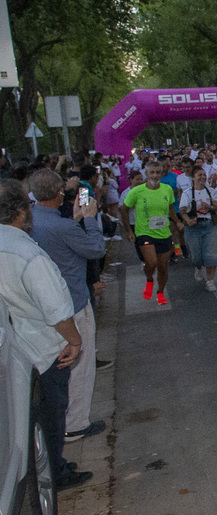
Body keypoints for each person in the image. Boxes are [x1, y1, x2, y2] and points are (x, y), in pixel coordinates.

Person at [0, 180, 91, 489]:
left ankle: (53, 465)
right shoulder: (27, 254)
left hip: (18, 348)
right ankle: (55, 473)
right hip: (44, 349)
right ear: (20, 212)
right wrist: (75, 340)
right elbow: (55, 309)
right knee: (52, 416)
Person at [28, 169, 108, 445]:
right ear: (58, 193)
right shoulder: (63, 227)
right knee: (81, 365)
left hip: (41, 308)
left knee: (57, 367)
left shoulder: (29, 221)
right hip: (72, 302)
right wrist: (89, 219)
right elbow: (96, 249)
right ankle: (75, 424)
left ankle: (63, 423)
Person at [121, 162, 176, 305]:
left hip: (163, 233)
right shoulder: (136, 191)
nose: (155, 176)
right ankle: (150, 279)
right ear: (146, 174)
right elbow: (124, 209)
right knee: (151, 262)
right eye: (152, 173)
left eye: (157, 172)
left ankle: (160, 292)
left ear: (161, 173)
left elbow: (170, 208)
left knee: (163, 267)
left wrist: (177, 221)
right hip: (144, 233)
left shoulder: (167, 189)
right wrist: (128, 230)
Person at [179, 166, 217, 292]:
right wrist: (188, 220)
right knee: (196, 255)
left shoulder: (211, 191)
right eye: (199, 175)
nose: (203, 177)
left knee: (211, 254)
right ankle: (198, 267)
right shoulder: (187, 193)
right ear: (193, 178)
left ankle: (210, 281)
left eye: (204, 175)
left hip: (209, 225)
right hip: (193, 227)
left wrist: (210, 207)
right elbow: (182, 210)